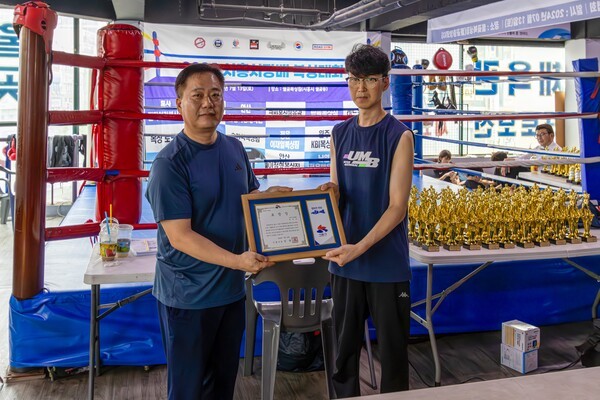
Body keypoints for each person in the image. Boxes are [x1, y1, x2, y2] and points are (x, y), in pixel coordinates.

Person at [145, 63, 290, 400]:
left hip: (229, 292)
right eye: (198, 95)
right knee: (187, 390)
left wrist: (270, 199)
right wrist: (238, 262)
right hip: (188, 298)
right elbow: (180, 236)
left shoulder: (235, 148)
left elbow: (246, 200)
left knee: (223, 386)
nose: (208, 102)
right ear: (179, 103)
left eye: (215, 95)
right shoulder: (170, 164)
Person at [320, 44, 414, 396]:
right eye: (354, 79)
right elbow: (336, 193)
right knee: (342, 355)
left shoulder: (399, 135)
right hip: (344, 262)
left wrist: (359, 247)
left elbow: (397, 207)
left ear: (385, 83)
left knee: (392, 355)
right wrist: (324, 196)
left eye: (370, 80)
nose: (361, 88)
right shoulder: (339, 133)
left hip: (385, 265)